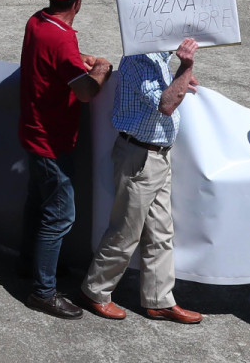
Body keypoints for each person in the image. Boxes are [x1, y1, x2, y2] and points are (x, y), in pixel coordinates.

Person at [79, 37, 203, 325]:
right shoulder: (140, 58)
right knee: (126, 231)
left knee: (161, 231)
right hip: (141, 158)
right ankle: (94, 291)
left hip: (157, 157)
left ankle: (160, 300)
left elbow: (162, 93)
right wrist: (186, 68)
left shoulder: (158, 56)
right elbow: (167, 104)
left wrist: (178, 76)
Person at [17, 0, 114, 319]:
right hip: (52, 141)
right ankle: (43, 291)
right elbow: (86, 92)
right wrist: (100, 67)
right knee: (60, 215)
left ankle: (30, 266)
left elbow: (59, 61)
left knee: (38, 204)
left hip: (33, 131)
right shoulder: (61, 38)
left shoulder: (37, 22)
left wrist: (79, 59)